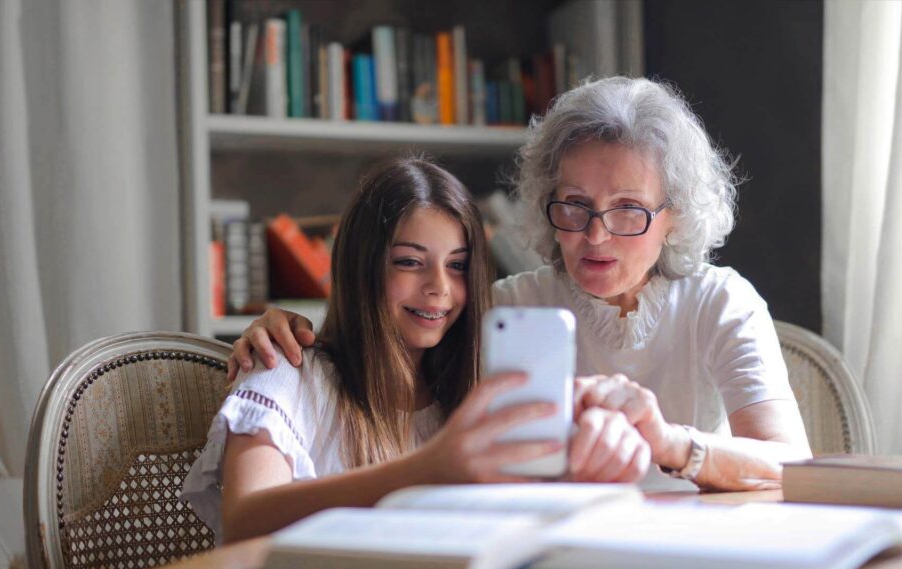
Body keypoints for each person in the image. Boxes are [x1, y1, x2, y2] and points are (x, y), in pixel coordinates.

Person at [228, 78, 813, 492]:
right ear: (544, 201)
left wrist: (669, 443)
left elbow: (791, 464)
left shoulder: (720, 300)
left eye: (629, 210)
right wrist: (285, 328)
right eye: (575, 206)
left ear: (676, 216)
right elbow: (385, 353)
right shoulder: (504, 309)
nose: (596, 236)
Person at [182, 157, 650, 545]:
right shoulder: (285, 371)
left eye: (458, 266)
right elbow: (245, 520)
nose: (439, 289)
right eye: (410, 262)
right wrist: (427, 469)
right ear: (362, 267)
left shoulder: (470, 393)